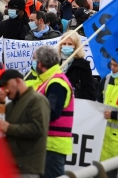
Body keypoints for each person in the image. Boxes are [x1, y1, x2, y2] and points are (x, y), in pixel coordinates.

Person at [26, 46, 74, 178]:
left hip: (53, 144)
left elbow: (51, 112)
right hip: (47, 143)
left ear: (40, 64)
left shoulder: (56, 83)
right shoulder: (50, 80)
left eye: (35, 60)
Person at [0, 69, 50, 178]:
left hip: (26, 169)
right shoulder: (11, 105)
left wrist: (9, 128)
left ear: (18, 81)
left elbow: (38, 128)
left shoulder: (37, 100)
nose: (5, 90)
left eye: (6, 85)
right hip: (10, 167)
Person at [57, 31, 95, 100]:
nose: (66, 46)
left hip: (76, 105)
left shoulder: (83, 65)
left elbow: (89, 91)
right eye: (64, 44)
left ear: (76, 46)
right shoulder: (56, 64)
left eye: (70, 44)